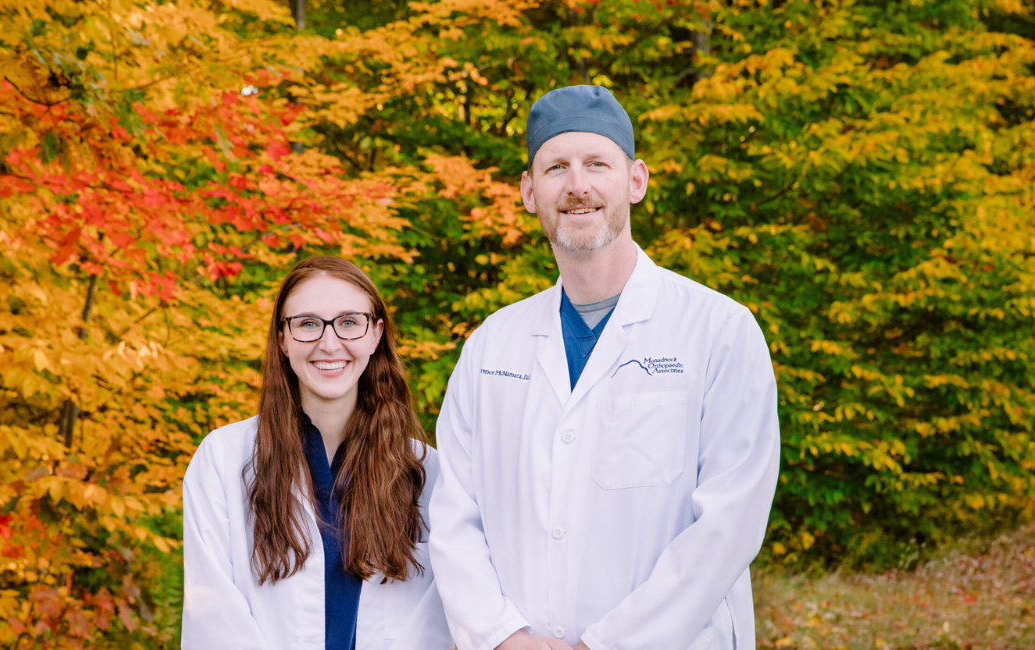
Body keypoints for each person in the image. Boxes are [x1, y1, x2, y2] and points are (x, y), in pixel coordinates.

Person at [428, 85, 781, 650]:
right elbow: (452, 515)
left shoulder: (720, 332)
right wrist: (503, 636)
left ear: (635, 180)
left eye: (597, 164)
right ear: (528, 191)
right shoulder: (492, 347)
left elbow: (727, 527)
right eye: (555, 168)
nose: (577, 185)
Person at [182, 256, 453, 650]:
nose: (329, 343)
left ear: (375, 334)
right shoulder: (222, 460)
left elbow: (435, 618)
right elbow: (214, 616)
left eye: (348, 322)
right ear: (282, 339)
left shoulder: (426, 471)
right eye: (308, 324)